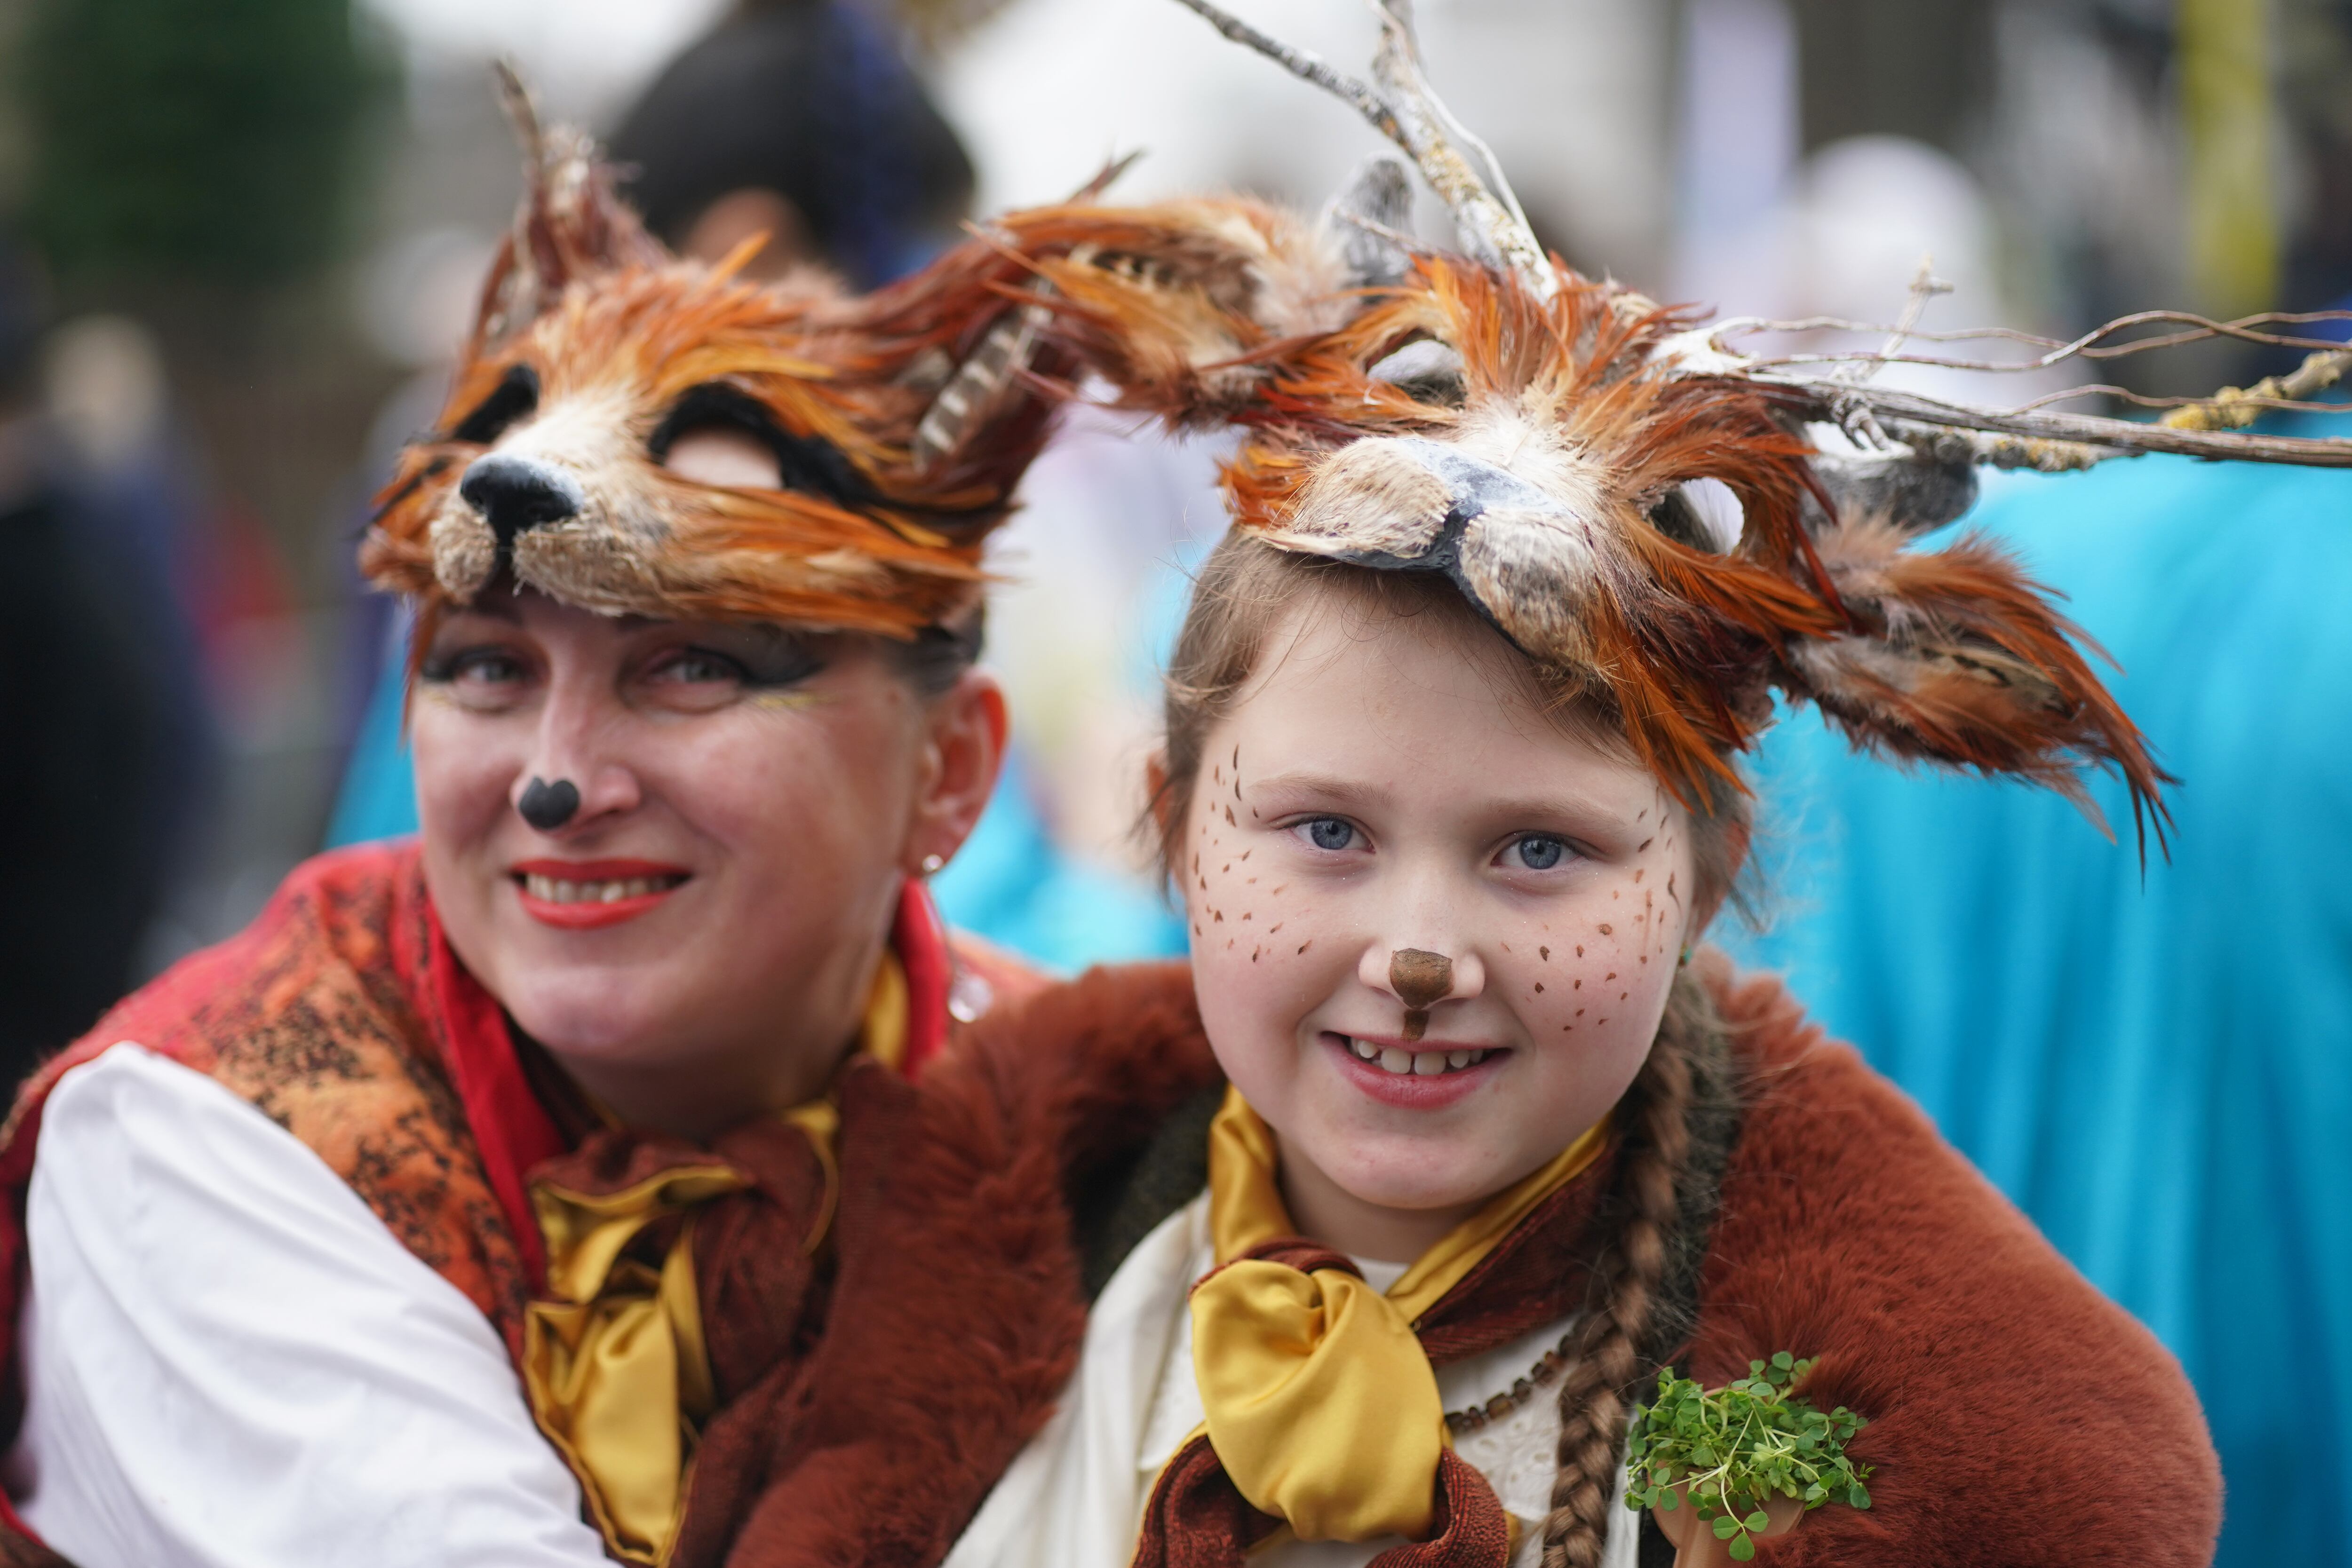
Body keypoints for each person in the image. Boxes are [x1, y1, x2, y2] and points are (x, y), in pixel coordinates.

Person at [914, 42, 2283, 1563]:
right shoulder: (985, 1214)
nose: (1420, 953)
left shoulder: (1880, 1417)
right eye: (1326, 833)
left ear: (1702, 878)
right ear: (1173, 825)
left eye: (1539, 850)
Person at [0, 88, 1166, 1568]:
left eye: (693, 665)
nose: (557, 780)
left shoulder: (1093, 1111)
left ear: (946, 771)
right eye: (486, 666)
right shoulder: (206, 1144)